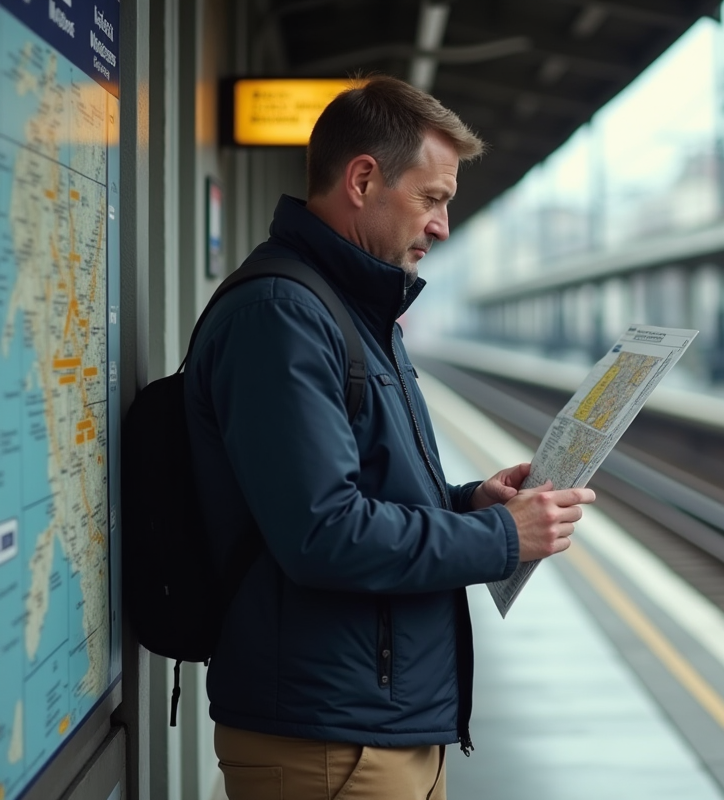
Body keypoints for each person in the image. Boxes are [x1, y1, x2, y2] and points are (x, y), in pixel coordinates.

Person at [184, 75, 595, 800]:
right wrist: (502, 538)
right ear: (364, 178)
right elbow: (323, 531)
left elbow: (364, 487)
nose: (441, 225)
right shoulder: (283, 315)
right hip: (328, 743)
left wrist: (471, 504)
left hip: (374, 728)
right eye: (432, 199)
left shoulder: (351, 309)